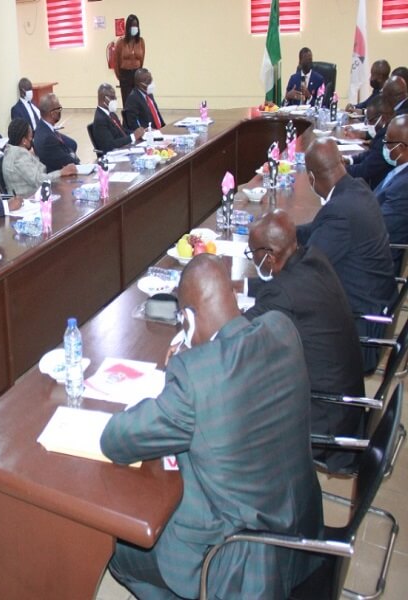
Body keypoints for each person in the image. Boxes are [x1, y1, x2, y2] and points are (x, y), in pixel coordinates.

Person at [100, 254, 323, 599]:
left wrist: (185, 365)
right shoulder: (281, 328)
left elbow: (116, 440)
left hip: (241, 566)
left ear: (187, 319)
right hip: (302, 536)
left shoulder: (196, 376)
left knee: (121, 552)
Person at [244, 210, 365, 472]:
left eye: (251, 254)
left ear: (269, 257)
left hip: (324, 418)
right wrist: (239, 286)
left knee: (237, 408)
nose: (252, 259)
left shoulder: (283, 293)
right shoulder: (313, 258)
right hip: (345, 405)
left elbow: (236, 333)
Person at [298, 138, 396, 372]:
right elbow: (317, 229)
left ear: (311, 178)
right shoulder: (357, 189)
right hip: (374, 310)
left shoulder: (340, 211)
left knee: (278, 326)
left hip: (358, 331)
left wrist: (249, 287)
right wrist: (284, 234)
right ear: (341, 162)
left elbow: (304, 271)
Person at [2, 118, 77, 197]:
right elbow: (38, 181)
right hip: (28, 198)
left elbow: (40, 171)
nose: (32, 139)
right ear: (24, 141)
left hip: (34, 193)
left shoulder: (12, 151)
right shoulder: (19, 156)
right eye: (30, 136)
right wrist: (61, 172)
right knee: (68, 193)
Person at [374, 115, 408, 269]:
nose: (385, 147)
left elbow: (379, 228)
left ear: (401, 147)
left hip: (379, 259)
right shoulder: (400, 170)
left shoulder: (404, 186)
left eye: (387, 142)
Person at [345, 96, 394, 189]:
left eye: (371, 121)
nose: (369, 125)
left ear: (383, 118)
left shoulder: (387, 136)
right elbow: (370, 154)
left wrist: (337, 169)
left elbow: (365, 170)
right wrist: (349, 159)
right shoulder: (383, 131)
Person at [33, 93, 80, 173]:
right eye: (59, 109)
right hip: (60, 176)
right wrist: (74, 158)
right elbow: (69, 163)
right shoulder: (48, 139)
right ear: (53, 114)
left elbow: (72, 144)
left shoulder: (43, 126)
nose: (60, 111)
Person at [91, 83, 144, 153]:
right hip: (115, 153)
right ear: (104, 99)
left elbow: (122, 131)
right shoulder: (100, 120)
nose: (115, 99)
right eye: (112, 97)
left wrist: (139, 133)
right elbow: (110, 145)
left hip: (125, 147)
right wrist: (133, 137)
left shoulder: (111, 113)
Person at [112, 14, 145, 105]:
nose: (135, 27)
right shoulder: (121, 42)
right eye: (133, 25)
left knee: (138, 102)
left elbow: (142, 60)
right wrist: (121, 77)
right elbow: (116, 62)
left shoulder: (141, 41)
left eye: (136, 25)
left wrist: (138, 72)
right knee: (127, 103)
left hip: (137, 75)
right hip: (125, 75)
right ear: (128, 27)